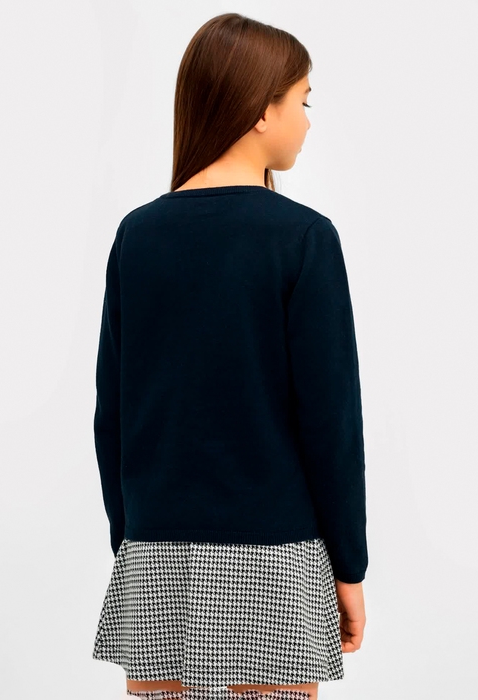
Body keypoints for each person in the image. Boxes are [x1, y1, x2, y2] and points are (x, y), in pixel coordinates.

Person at [91, 12, 367, 700]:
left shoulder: (137, 236)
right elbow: (330, 422)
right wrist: (349, 568)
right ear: (260, 111)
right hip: (276, 562)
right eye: (302, 101)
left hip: (154, 559)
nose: (307, 121)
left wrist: (135, 541)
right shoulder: (303, 238)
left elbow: (112, 417)